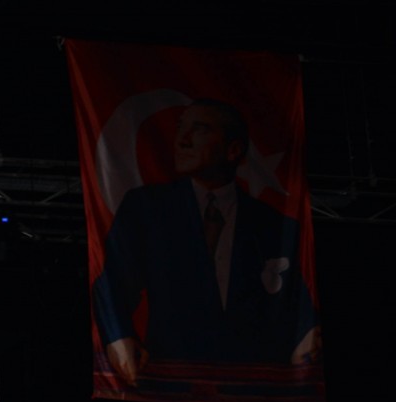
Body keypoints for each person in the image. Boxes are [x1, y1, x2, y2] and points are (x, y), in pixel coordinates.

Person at [92, 99, 320, 386]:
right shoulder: (147, 208)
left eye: (199, 129)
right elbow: (114, 280)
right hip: (170, 379)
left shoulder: (273, 225)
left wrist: (306, 332)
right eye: (180, 128)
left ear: (233, 150)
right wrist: (118, 334)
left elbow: (294, 296)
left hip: (250, 384)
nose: (182, 140)